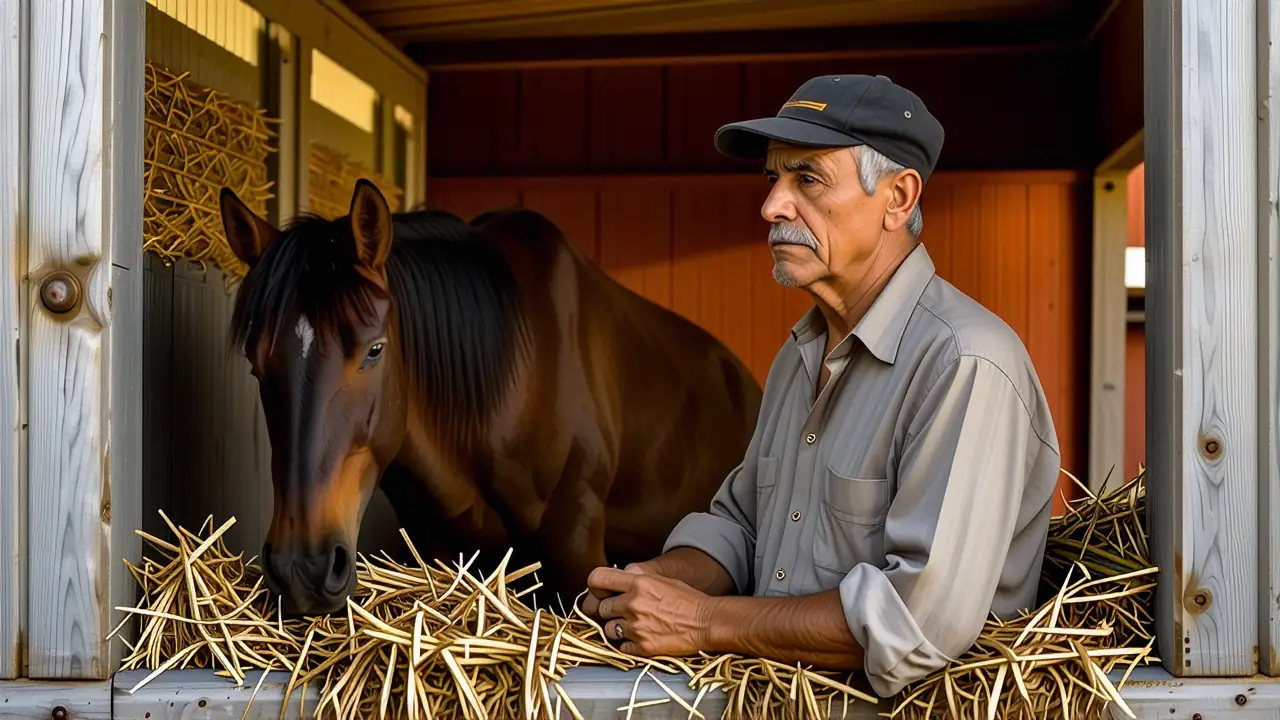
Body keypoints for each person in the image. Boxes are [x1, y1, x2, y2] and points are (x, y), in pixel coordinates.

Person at [581, 74, 1062, 698]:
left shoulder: (964, 361)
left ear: (898, 197)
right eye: (773, 179)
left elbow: (914, 624)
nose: (772, 206)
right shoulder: (802, 352)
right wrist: (655, 584)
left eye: (806, 179)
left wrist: (699, 621)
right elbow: (744, 526)